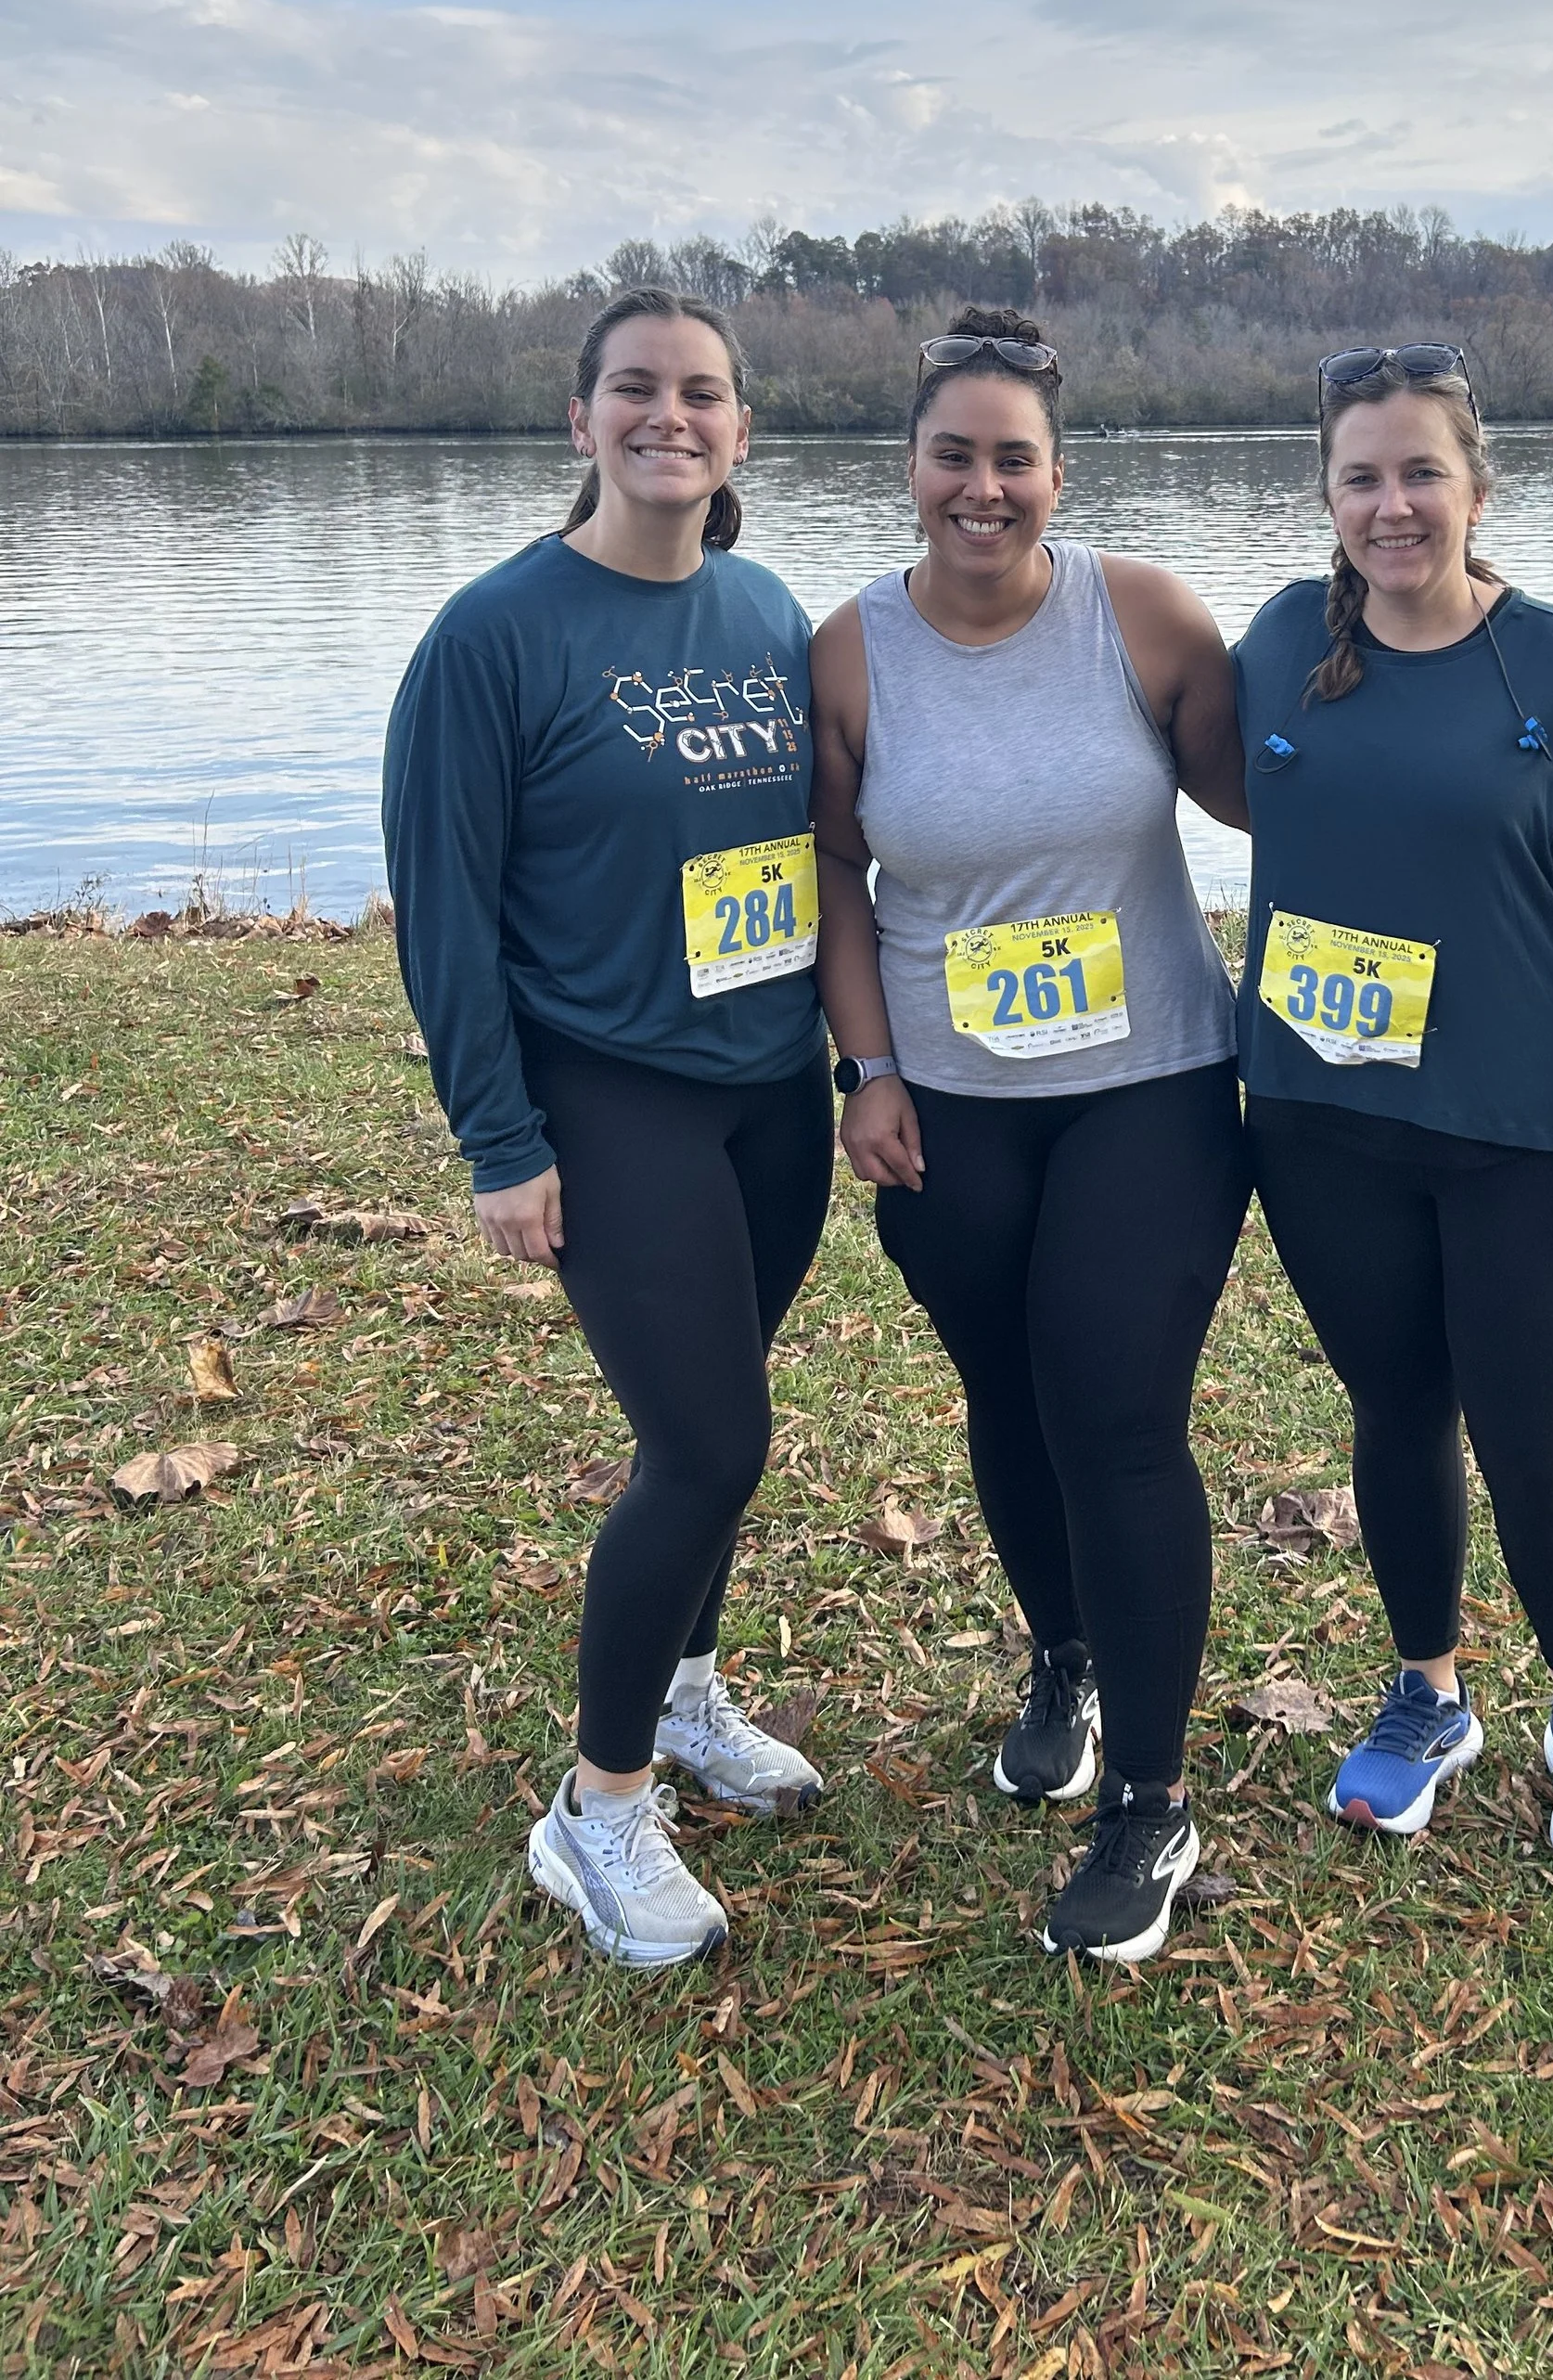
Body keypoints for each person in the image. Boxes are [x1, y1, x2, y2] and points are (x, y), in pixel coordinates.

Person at [384, 287, 832, 1968]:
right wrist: (500, 1140)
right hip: (612, 1090)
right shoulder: (495, 638)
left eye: (702, 394)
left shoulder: (767, 607)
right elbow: (446, 913)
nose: (671, 417)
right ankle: (598, 1807)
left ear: (740, 430)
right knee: (711, 1443)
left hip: (769, 1095)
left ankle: (689, 1689)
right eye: (634, 390)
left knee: (711, 1417)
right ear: (580, 422)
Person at [809, 313, 1249, 1962]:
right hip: (951, 1108)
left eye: (1015, 459)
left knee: (1118, 1417)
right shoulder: (846, 652)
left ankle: (1149, 1795)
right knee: (1008, 1393)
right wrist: (865, 1068)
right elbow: (837, 879)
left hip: (1151, 1089)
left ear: (1061, 476)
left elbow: (1280, 783)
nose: (983, 488)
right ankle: (1061, 1650)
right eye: (954, 455)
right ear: (910, 469)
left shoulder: (1143, 618)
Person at [1233, 344, 1553, 1862]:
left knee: (1537, 1445)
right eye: (1361, 476)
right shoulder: (1283, 644)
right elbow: (1159, 777)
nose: (1392, 504)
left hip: (1517, 1132)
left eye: (1422, 471)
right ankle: (1430, 1689)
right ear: (1328, 496)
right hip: (1319, 1124)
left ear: (1479, 488)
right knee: (1396, 1410)